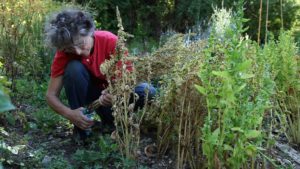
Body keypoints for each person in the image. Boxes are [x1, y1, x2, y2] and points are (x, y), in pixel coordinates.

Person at [44, 9, 156, 141]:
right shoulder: (63, 53)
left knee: (148, 90)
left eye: (81, 43)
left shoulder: (110, 41)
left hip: (118, 100)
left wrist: (116, 94)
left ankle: (118, 123)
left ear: (89, 31)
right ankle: (82, 129)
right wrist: (70, 114)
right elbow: (50, 95)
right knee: (74, 68)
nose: (78, 52)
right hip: (94, 99)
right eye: (70, 49)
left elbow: (128, 80)